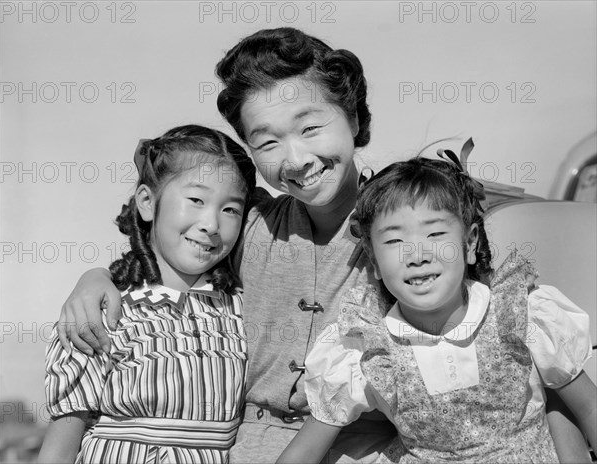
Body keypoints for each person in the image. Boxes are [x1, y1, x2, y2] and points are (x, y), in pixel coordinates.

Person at [53, 28, 590, 463]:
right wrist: (98, 277)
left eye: (311, 127)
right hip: (242, 448)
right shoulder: (250, 224)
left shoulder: (411, 226)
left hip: (372, 449)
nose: (296, 158)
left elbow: (522, 349)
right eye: (266, 141)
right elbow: (177, 255)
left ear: (353, 119)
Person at [276, 144, 596, 463]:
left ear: (469, 243)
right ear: (373, 261)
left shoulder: (520, 312)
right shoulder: (364, 348)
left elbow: (589, 407)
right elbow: (304, 451)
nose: (417, 255)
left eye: (434, 234)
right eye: (394, 241)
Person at [38, 125, 257, 463]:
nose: (212, 224)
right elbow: (63, 440)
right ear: (146, 202)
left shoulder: (245, 310)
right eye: (196, 200)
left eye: (230, 209)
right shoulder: (106, 311)